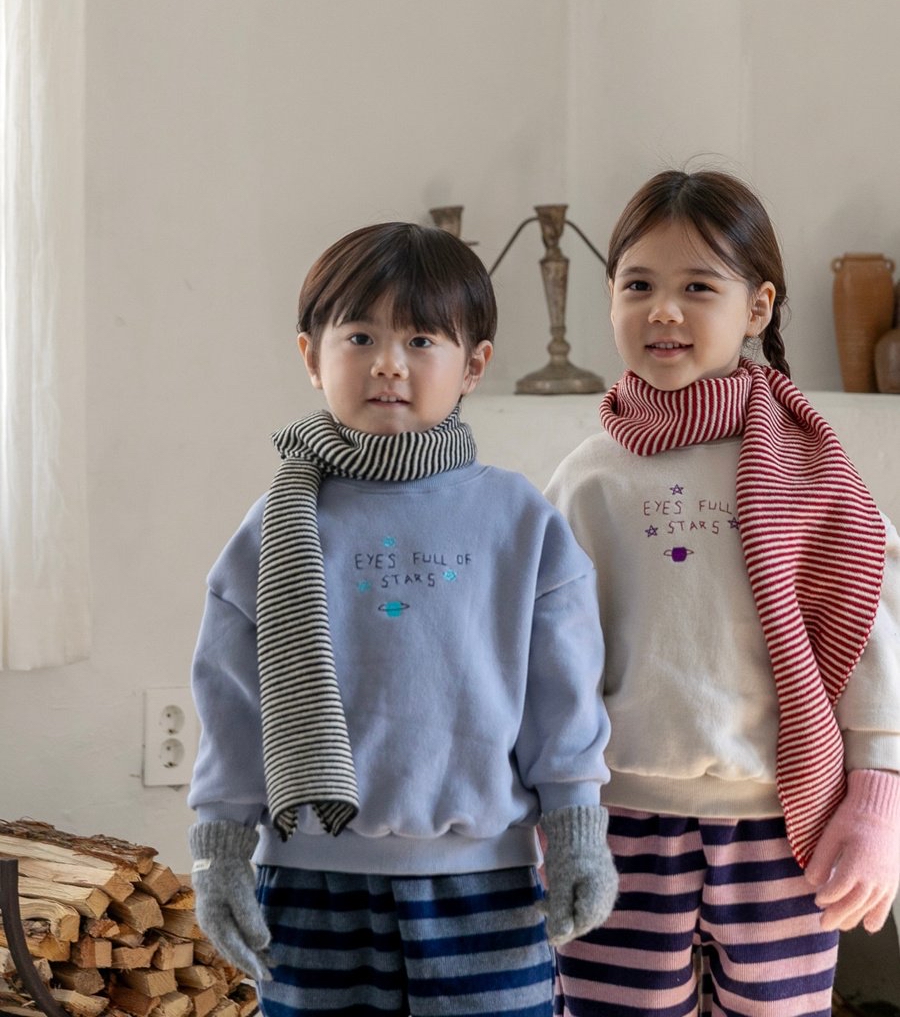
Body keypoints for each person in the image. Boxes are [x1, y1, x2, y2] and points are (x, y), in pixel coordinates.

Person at [186, 221, 619, 1017]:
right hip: (309, 884)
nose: (389, 362)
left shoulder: (519, 520)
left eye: (421, 339)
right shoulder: (277, 524)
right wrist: (219, 857)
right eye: (360, 336)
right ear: (311, 356)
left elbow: (564, 698)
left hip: (487, 888)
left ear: (474, 366)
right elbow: (233, 702)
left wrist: (578, 834)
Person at [545, 170, 900, 1016]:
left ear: (758, 307)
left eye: (698, 287)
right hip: (616, 822)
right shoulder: (588, 479)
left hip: (785, 824)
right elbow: (542, 661)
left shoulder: (811, 469)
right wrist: (546, 810)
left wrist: (878, 799)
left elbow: (869, 632)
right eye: (638, 286)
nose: (663, 311)